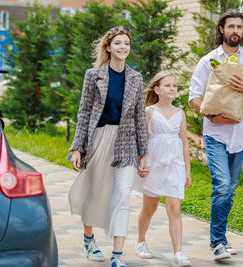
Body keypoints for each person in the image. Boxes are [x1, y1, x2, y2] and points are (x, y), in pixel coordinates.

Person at [67, 26, 147, 267]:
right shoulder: (93, 75)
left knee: (123, 195)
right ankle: (89, 240)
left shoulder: (136, 78)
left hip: (125, 144)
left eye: (127, 44)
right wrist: (77, 148)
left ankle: (117, 255)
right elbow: (84, 114)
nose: (123, 47)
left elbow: (139, 119)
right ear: (109, 47)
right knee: (95, 192)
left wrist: (143, 154)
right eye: (118, 43)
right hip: (98, 139)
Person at [188, 9, 243, 260]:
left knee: (229, 190)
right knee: (221, 185)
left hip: (240, 134)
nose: (235, 32)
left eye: (239, 27)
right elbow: (194, 98)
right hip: (215, 133)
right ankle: (218, 241)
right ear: (221, 29)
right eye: (231, 27)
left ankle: (219, 238)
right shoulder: (208, 60)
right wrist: (210, 115)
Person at [133, 70, 192, 267]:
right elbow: (141, 140)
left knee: (175, 209)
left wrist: (188, 171)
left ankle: (178, 253)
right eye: (167, 85)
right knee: (149, 208)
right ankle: (141, 241)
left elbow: (184, 143)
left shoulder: (180, 113)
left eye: (174, 85)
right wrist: (140, 161)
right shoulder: (149, 111)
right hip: (154, 165)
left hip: (175, 166)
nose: (172, 88)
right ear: (157, 89)